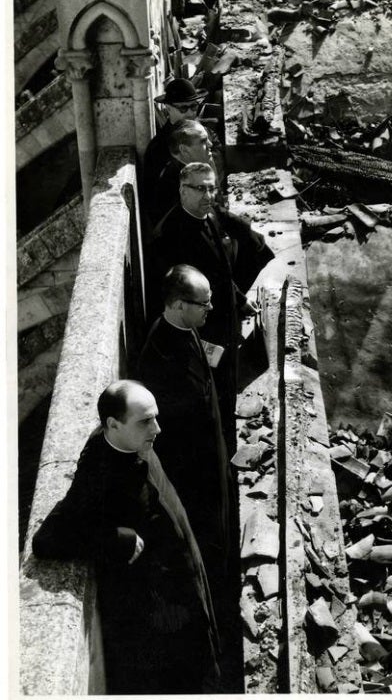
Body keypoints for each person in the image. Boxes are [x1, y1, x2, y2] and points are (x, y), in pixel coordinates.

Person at [32, 380, 219, 695]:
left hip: (184, 569)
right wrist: (116, 540)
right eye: (146, 421)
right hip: (162, 601)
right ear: (112, 425)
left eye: (155, 417)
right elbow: (47, 540)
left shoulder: (136, 441)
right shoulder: (99, 469)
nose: (157, 428)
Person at [148, 163, 274, 453]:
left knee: (227, 391)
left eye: (211, 187)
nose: (208, 194)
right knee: (210, 401)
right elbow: (171, 304)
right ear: (182, 190)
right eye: (200, 188)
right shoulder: (169, 236)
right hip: (202, 335)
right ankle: (221, 449)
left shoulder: (209, 215)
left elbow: (220, 272)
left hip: (223, 327)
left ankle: (227, 441)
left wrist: (240, 300)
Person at [138, 265, 232, 590]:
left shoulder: (185, 328)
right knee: (207, 538)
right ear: (179, 305)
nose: (211, 309)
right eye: (204, 304)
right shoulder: (159, 356)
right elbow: (173, 434)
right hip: (194, 473)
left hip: (210, 457)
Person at [143, 78, 207, 224]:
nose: (190, 113)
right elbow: (156, 201)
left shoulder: (199, 133)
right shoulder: (159, 148)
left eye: (194, 107)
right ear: (168, 108)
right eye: (183, 108)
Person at [148, 120, 222, 229]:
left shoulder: (190, 168)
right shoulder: (178, 181)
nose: (210, 144)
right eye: (203, 141)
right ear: (184, 150)